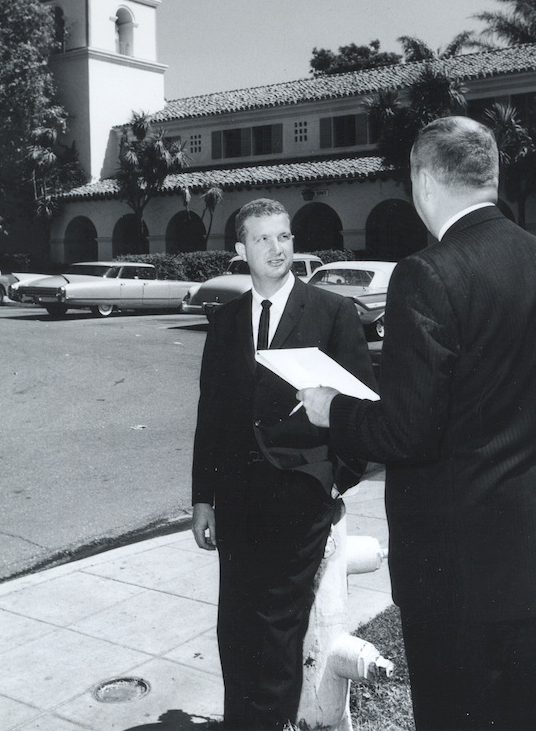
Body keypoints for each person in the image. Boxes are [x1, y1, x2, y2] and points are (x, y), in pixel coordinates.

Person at [295, 117, 536, 731]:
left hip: (458, 574)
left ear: (424, 179)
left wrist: (333, 409)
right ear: (493, 176)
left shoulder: (427, 274)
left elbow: (409, 431)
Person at [191, 198, 375, 731]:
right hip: (237, 505)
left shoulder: (332, 313)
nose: (278, 247)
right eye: (264, 238)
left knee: (277, 631)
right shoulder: (225, 322)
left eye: (285, 236)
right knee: (236, 628)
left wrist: (332, 483)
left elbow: (362, 409)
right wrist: (204, 497)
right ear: (241, 250)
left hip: (300, 501)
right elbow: (212, 415)